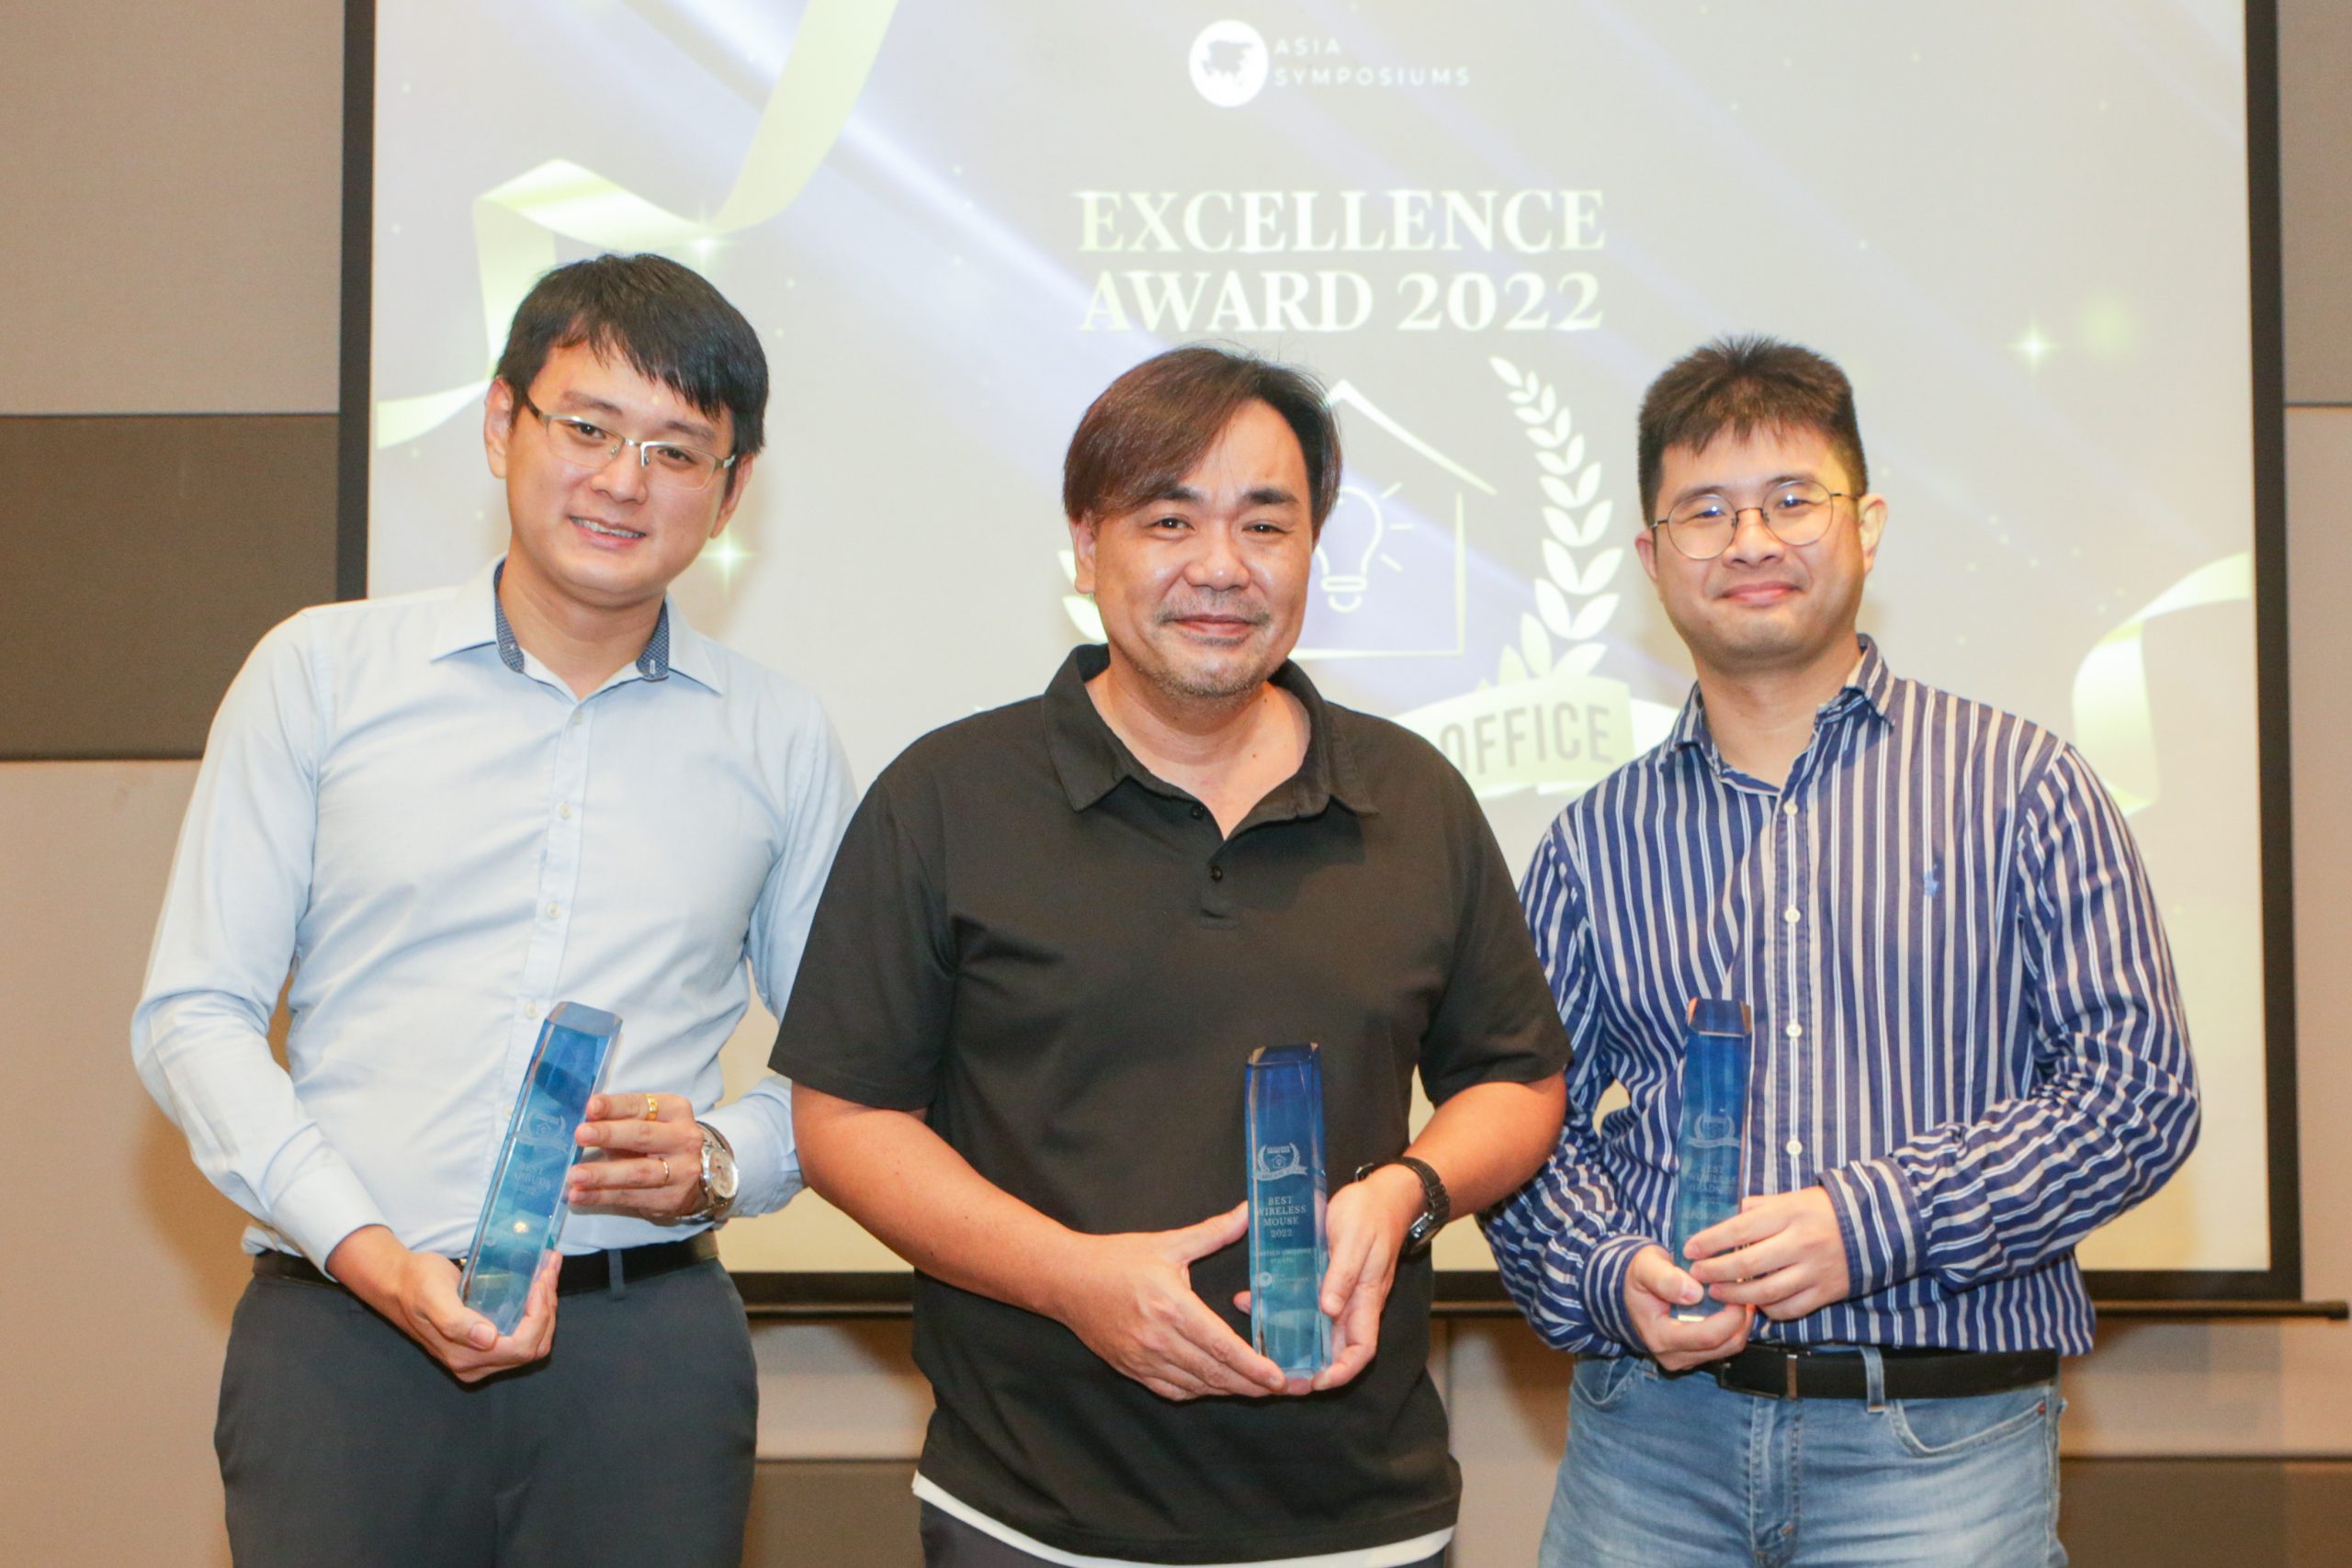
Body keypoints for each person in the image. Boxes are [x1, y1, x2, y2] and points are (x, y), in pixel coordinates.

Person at [770, 344, 1570, 1567]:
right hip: (1030, 1512)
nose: (1221, 566)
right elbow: (845, 1117)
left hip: (1360, 1513)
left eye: (1267, 523)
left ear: (1313, 550)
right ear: (1087, 545)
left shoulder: (1413, 797)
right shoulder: (945, 796)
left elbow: (1517, 1079)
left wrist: (1409, 1194)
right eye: (1169, 519)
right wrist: (1070, 1279)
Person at [132, 253, 854, 1567]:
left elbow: (851, 1068)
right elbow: (195, 1014)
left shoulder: (781, 737)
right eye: (587, 427)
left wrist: (721, 1161)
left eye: (676, 450)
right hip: (340, 1340)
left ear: (732, 488)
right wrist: (363, 1249)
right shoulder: (320, 674)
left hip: (643, 1357)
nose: (624, 480)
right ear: (499, 423)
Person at [1481, 334, 2201, 1566]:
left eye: (1790, 500)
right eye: (1706, 511)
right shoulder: (1593, 842)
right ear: (1652, 559)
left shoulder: (2022, 785)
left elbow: (2136, 1097)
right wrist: (1609, 1274)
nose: (1749, 540)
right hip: (1649, 1448)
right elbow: (1519, 1121)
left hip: (1940, 1448)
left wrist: (1869, 1222)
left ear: (1866, 525)